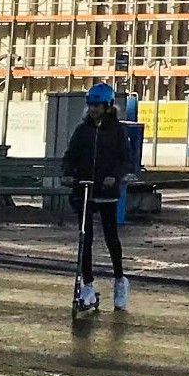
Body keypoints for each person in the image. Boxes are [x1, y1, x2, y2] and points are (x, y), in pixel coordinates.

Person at [63, 81, 130, 312]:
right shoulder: (83, 130)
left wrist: (114, 175)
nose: (93, 110)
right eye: (91, 105)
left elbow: (125, 160)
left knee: (111, 238)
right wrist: (68, 174)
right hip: (84, 190)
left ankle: (120, 280)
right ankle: (88, 284)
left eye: (98, 106)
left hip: (106, 193)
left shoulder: (117, 130)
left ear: (108, 106)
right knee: (86, 238)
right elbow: (70, 156)